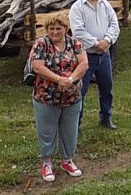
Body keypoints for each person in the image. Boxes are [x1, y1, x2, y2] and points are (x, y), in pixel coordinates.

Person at [31, 15, 89, 183]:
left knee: (70, 130)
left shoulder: (74, 43)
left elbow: (83, 63)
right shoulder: (41, 44)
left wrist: (69, 80)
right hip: (46, 97)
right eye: (51, 28)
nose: (55, 32)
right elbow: (37, 66)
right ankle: (47, 163)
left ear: (65, 29)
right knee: (47, 131)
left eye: (58, 28)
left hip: (72, 97)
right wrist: (58, 80)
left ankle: (67, 160)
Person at [69, 0, 120, 130]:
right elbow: (78, 31)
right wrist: (95, 43)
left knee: (107, 88)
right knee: (80, 91)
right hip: (85, 57)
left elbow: (114, 25)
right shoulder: (77, 8)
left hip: (104, 56)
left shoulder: (105, 4)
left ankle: (106, 118)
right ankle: (76, 123)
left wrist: (107, 41)